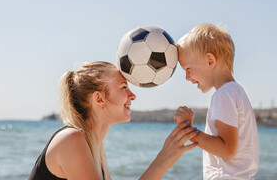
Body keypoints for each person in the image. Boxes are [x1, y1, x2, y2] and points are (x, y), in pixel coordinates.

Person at [29, 61, 199, 180]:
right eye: (123, 87)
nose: (133, 95)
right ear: (99, 99)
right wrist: (162, 160)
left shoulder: (94, 146)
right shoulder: (71, 139)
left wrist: (165, 159)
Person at [175, 23, 259, 179]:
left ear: (210, 61)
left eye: (188, 69)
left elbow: (227, 150)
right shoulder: (236, 92)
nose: (187, 77)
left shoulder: (224, 95)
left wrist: (187, 129)